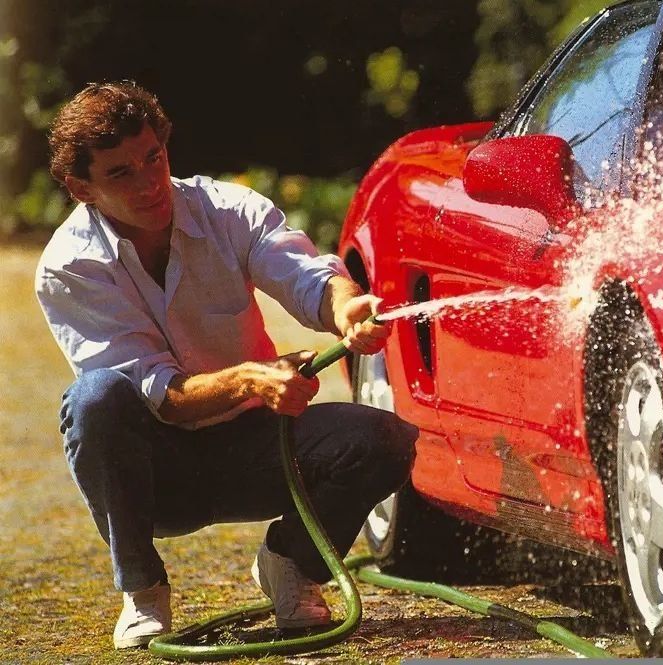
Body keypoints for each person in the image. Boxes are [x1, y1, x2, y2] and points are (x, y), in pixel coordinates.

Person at [35, 81, 419, 649]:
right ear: (79, 188)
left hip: (258, 447)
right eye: (120, 174)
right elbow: (155, 392)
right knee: (93, 402)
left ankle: (291, 564)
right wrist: (249, 379)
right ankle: (142, 590)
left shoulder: (229, 208)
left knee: (383, 438)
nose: (149, 183)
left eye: (154, 158)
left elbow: (305, 276)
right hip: (156, 471)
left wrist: (345, 305)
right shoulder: (69, 267)